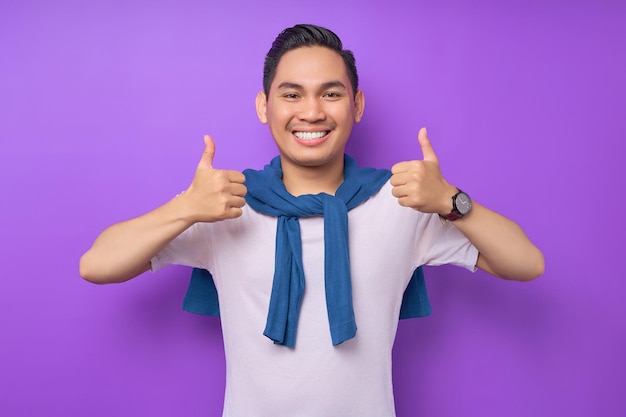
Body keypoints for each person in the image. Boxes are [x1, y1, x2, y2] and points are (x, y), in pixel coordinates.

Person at [80, 24, 544, 417]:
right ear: (265, 106)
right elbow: (97, 265)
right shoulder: (223, 203)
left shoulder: (400, 202)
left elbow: (525, 263)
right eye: (292, 94)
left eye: (331, 93)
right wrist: (183, 208)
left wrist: (450, 198)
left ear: (356, 105)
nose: (312, 112)